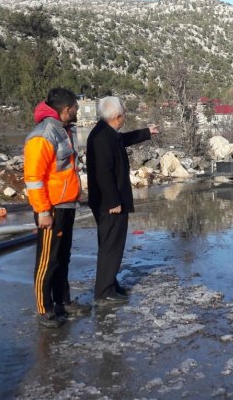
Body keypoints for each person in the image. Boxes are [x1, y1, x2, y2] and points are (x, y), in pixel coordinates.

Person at [24, 88, 91, 328]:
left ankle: (63, 302)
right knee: (47, 260)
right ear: (66, 110)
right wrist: (42, 211)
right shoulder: (42, 136)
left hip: (66, 205)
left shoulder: (62, 130)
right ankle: (45, 309)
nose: (78, 110)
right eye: (76, 106)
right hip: (51, 209)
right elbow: (34, 178)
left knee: (63, 256)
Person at [86, 96, 159, 304]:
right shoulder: (101, 137)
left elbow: (122, 140)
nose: (124, 117)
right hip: (109, 203)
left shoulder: (106, 132)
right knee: (111, 245)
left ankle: (109, 284)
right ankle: (103, 292)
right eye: (124, 114)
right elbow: (103, 174)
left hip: (111, 200)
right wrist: (113, 202)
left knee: (112, 244)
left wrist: (146, 133)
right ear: (118, 117)